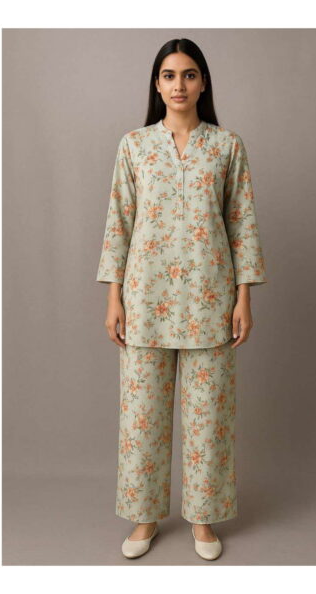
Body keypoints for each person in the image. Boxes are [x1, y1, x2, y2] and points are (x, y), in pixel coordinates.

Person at [96, 38, 268, 561]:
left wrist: (243, 297)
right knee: (142, 417)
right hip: (145, 300)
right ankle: (144, 516)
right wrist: (114, 298)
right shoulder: (134, 145)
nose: (179, 85)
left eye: (189, 75)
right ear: (157, 84)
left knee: (208, 418)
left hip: (210, 301)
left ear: (203, 82)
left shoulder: (227, 146)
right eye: (169, 75)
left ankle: (203, 519)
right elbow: (119, 221)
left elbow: (241, 223)